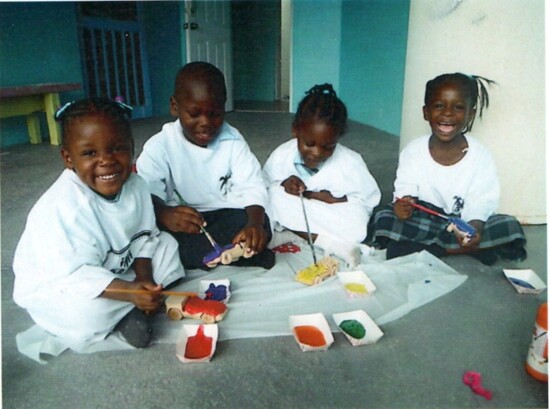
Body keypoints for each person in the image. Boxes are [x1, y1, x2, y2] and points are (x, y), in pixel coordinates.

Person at [12, 98, 185, 350]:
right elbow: (73, 276)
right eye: (89, 153)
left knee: (168, 247)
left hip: (115, 269)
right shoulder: (64, 208)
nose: (106, 161)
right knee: (83, 314)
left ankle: (134, 304)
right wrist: (131, 293)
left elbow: (146, 239)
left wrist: (143, 280)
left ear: (132, 148)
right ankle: (127, 312)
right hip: (61, 283)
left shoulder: (137, 186)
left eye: (117, 148)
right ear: (68, 158)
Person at [372, 73, 526, 264]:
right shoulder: (413, 151)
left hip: (464, 221)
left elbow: (482, 199)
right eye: (439, 106)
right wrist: (404, 203)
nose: (447, 113)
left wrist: (474, 227)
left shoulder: (480, 155)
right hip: (425, 218)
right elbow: (406, 186)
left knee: (509, 226)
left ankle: (431, 249)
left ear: (470, 114)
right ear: (425, 112)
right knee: (384, 217)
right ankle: (460, 249)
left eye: (458, 107)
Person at [136, 62, 274, 270]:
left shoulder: (232, 140)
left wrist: (254, 224)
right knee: (159, 240)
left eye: (215, 114)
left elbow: (252, 185)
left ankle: (225, 253)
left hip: (224, 213)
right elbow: (146, 193)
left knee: (261, 223)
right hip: (183, 220)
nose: (205, 123)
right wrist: (165, 214)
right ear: (175, 106)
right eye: (194, 114)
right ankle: (239, 254)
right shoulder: (160, 146)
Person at [263, 84, 381, 267]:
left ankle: (295, 232)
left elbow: (368, 200)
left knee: (358, 226)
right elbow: (265, 184)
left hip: (331, 214)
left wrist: (337, 200)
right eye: (309, 143)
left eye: (328, 147)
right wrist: (284, 185)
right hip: (297, 208)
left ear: (338, 138)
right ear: (296, 130)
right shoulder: (282, 155)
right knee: (273, 196)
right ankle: (330, 243)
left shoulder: (351, 162)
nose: (317, 153)